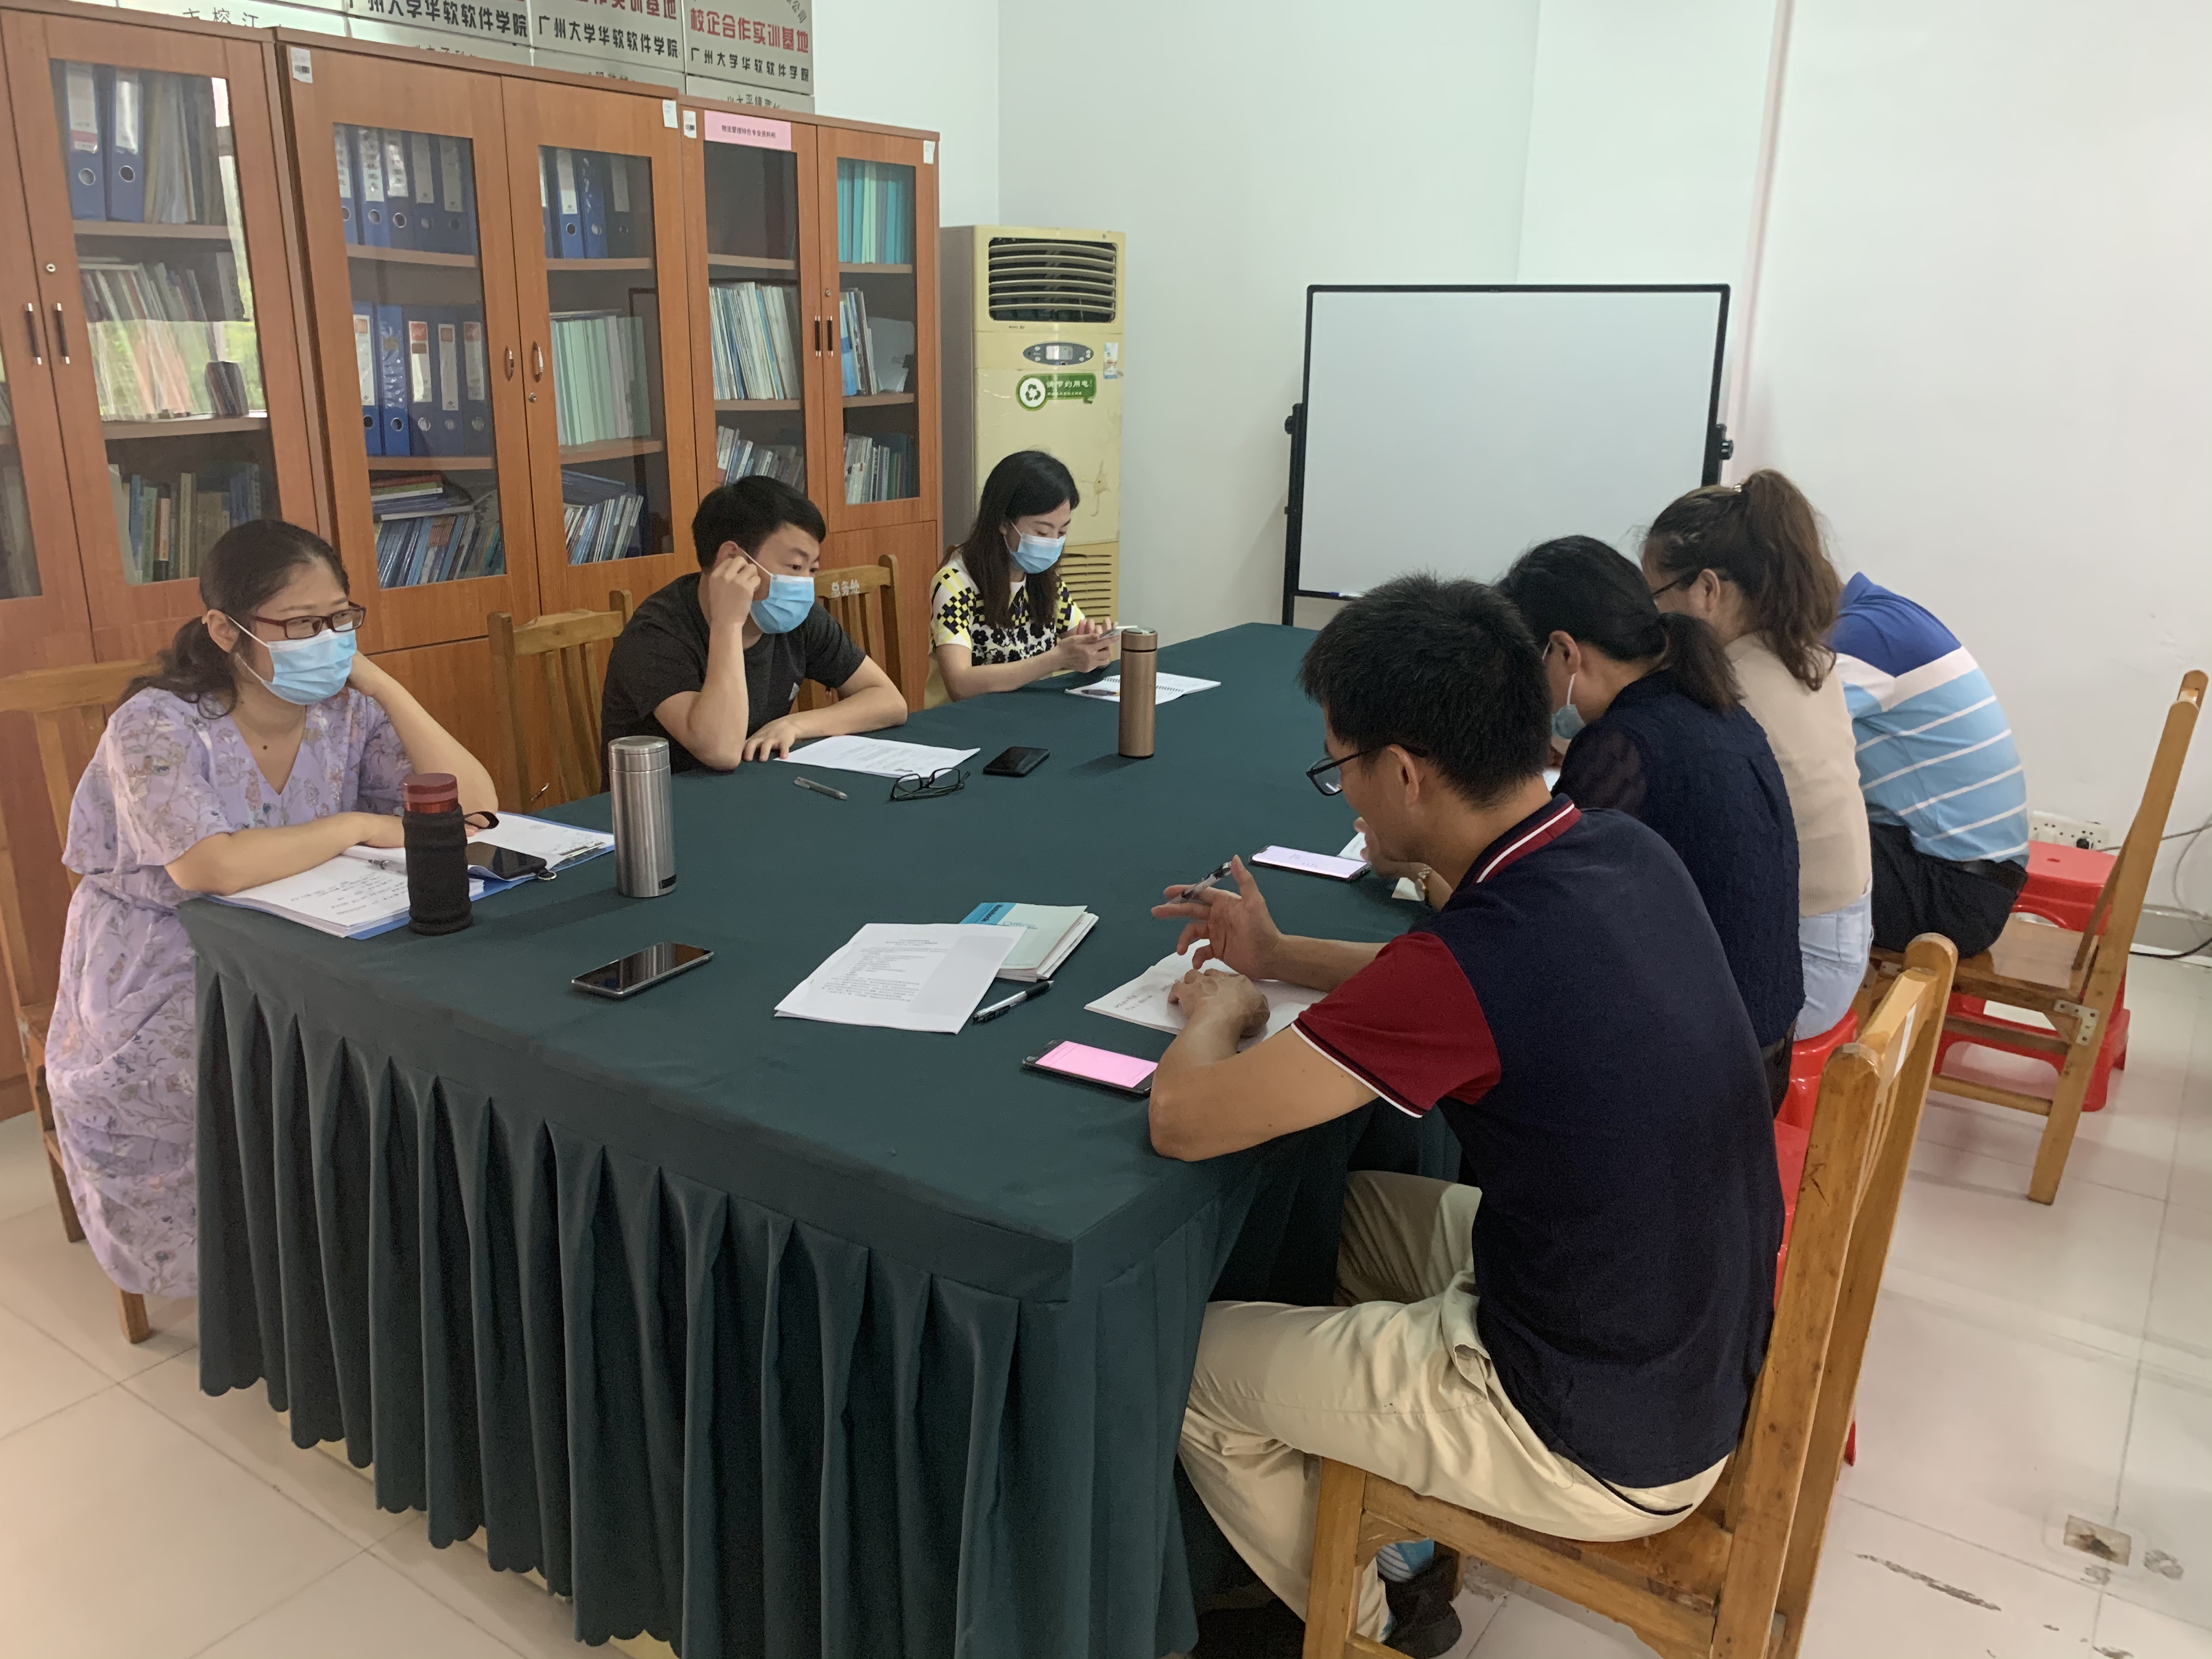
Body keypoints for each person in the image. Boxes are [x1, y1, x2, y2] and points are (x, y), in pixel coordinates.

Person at [1149, 576, 1782, 1654]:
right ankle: (1393, 1541)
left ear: (1404, 771)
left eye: (1343, 769)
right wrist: (1281, 953)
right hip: (1680, 1341)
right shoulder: (1615, 848)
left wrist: (1221, 1008)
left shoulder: (1478, 957)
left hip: (1594, 1426)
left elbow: (1185, 1118)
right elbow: (1444, 984)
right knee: (1334, 1214)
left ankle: (1365, 1627)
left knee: (1195, 1371)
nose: (1347, 799)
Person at [44, 521, 498, 1300]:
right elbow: (208, 866)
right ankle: (267, 1281)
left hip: (312, 934)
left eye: (341, 618)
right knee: (262, 1077)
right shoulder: (158, 722)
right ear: (227, 631)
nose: (327, 640)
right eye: (301, 623)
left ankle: (379, 1249)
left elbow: (480, 812)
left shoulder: (344, 710)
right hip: (170, 958)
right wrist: (357, 827)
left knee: (415, 1039)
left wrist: (385, 686)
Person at [1497, 536, 1803, 1104]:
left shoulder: (1622, 746)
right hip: (1761, 1054)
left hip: (1697, 1085)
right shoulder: (1714, 706)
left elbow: (1539, 920)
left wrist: (1426, 869)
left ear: (1564, 652)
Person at [1643, 470, 1872, 1040]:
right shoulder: (1804, 658)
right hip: (1839, 945)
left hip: (1797, 976)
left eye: (1655, 598)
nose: (1651, 622)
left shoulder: (1729, 691)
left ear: (1707, 591)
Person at [600, 476, 909, 770]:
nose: (804, 584)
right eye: (795, 566)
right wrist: (727, 624)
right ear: (733, 560)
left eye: (812, 569)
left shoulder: (797, 617)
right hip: (666, 800)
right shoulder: (656, 632)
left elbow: (888, 701)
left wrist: (796, 724)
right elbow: (721, 751)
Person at [1832, 574, 2028, 956]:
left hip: (1952, 895)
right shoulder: (1883, 616)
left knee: (1760, 834)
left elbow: (1774, 742)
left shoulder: (1861, 640)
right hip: (1967, 880)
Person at [929, 449, 1115, 702]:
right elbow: (960, 684)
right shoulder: (955, 583)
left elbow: (1080, 643)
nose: (1052, 543)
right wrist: (1056, 659)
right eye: (1042, 533)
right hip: (968, 718)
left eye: (1062, 532)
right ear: (1003, 522)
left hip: (1031, 711)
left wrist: (1095, 649)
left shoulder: (1044, 579)